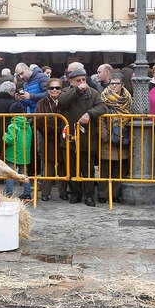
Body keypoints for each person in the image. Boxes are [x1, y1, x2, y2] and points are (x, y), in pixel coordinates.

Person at [58, 68, 107, 207]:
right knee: (72, 168)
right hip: (70, 137)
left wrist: (90, 114)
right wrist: (76, 90)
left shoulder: (93, 93)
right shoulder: (67, 92)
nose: (82, 83)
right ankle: (75, 193)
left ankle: (89, 195)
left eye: (83, 80)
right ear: (71, 82)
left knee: (88, 168)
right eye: (78, 80)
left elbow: (103, 107)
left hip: (87, 137)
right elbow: (62, 102)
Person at [98, 73, 132, 204]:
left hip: (123, 136)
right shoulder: (103, 98)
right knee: (105, 167)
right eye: (111, 83)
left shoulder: (128, 99)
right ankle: (103, 194)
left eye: (116, 83)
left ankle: (116, 194)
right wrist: (105, 135)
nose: (113, 86)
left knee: (120, 167)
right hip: (108, 137)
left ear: (122, 85)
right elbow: (100, 118)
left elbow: (132, 115)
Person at [35, 78, 67, 201]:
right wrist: (53, 127)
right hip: (47, 138)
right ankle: (45, 193)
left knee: (63, 166)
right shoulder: (42, 103)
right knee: (48, 166)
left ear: (61, 89)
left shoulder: (65, 101)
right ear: (48, 90)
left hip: (62, 138)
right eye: (51, 88)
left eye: (57, 88)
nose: (54, 90)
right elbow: (39, 120)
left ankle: (63, 192)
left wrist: (60, 128)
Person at [3, 114, 33, 201]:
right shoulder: (28, 126)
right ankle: (27, 194)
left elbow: (10, 139)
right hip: (24, 154)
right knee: (24, 174)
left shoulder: (13, 125)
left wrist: (4, 136)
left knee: (10, 174)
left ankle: (9, 194)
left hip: (13, 154)